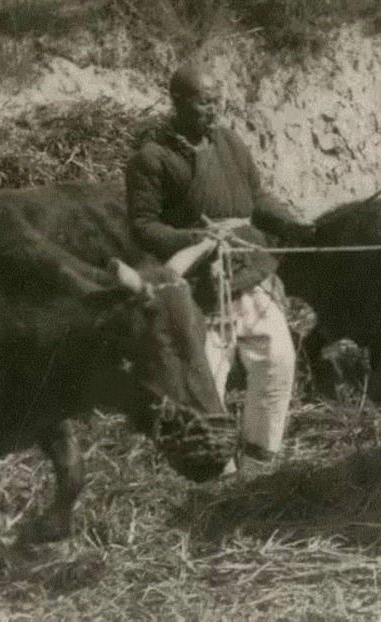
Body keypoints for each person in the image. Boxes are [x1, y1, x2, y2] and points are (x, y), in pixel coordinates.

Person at [125, 62, 315, 477]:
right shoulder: (152, 159)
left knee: (278, 360)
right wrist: (197, 238)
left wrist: (289, 223)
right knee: (207, 378)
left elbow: (257, 198)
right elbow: (142, 225)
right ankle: (215, 468)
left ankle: (259, 459)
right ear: (178, 102)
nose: (214, 109)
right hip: (198, 285)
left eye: (217, 100)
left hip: (247, 270)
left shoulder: (229, 142)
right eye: (204, 102)